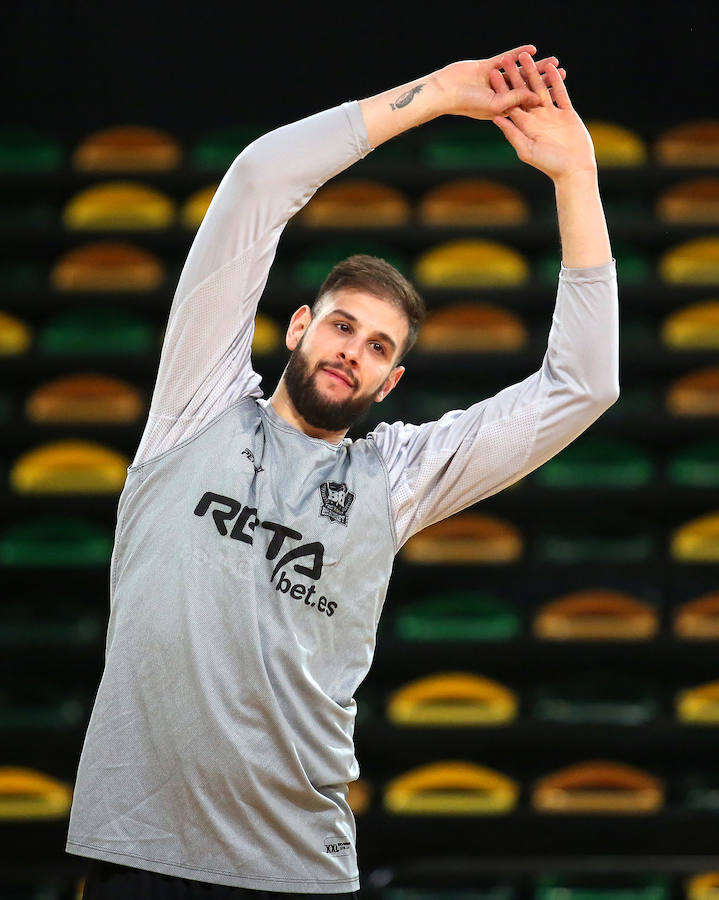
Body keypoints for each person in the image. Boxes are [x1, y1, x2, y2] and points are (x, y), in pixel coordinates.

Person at [68, 45, 619, 898]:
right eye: (341, 326)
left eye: (377, 348)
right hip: (139, 853)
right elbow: (256, 181)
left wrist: (575, 178)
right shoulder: (195, 405)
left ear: (390, 382)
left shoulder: (395, 475)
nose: (350, 352)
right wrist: (432, 97)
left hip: (296, 867)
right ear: (297, 327)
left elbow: (582, 383)